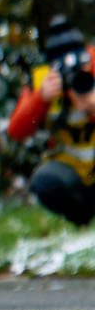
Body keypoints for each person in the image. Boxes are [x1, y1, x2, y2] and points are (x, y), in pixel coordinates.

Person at [5, 18, 95, 225]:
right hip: (69, 169)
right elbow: (15, 131)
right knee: (44, 182)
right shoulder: (42, 81)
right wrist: (41, 99)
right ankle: (82, 218)